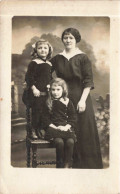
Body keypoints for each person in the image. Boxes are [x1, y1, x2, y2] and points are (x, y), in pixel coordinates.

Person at [51, 28, 103, 169]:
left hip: (81, 98)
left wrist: (82, 100)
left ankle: (86, 168)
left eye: (71, 38)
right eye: (66, 37)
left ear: (76, 40)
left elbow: (88, 81)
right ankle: (66, 166)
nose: (68, 40)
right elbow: (44, 73)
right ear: (62, 40)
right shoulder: (57, 58)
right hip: (63, 100)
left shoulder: (82, 57)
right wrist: (33, 85)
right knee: (66, 132)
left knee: (83, 132)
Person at [43, 78, 77, 168]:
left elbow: (73, 117)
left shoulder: (68, 102)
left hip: (65, 128)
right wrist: (55, 127)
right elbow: (45, 119)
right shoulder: (48, 102)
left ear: (63, 90)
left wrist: (66, 127)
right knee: (59, 142)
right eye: (53, 90)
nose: (55, 92)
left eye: (58, 89)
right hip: (54, 129)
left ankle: (67, 164)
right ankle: (60, 165)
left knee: (70, 141)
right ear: (50, 90)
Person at [24, 39, 53, 139]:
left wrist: (50, 84)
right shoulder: (34, 63)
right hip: (36, 93)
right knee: (36, 111)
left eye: (45, 48)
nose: (43, 50)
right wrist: (33, 88)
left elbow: (49, 78)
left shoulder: (49, 64)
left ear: (49, 50)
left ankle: (41, 130)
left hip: (46, 93)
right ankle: (33, 130)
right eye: (40, 48)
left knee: (46, 112)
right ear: (36, 50)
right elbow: (29, 77)